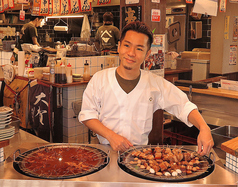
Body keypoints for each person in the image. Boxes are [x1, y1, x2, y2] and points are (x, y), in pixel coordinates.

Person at [79, 21, 214, 155]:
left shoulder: (154, 83)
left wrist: (204, 128)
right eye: (127, 45)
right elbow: (87, 115)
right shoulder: (99, 79)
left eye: (139, 48)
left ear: (147, 54)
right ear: (119, 46)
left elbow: (183, 105)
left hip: (138, 156)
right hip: (105, 152)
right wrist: (110, 136)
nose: (131, 53)